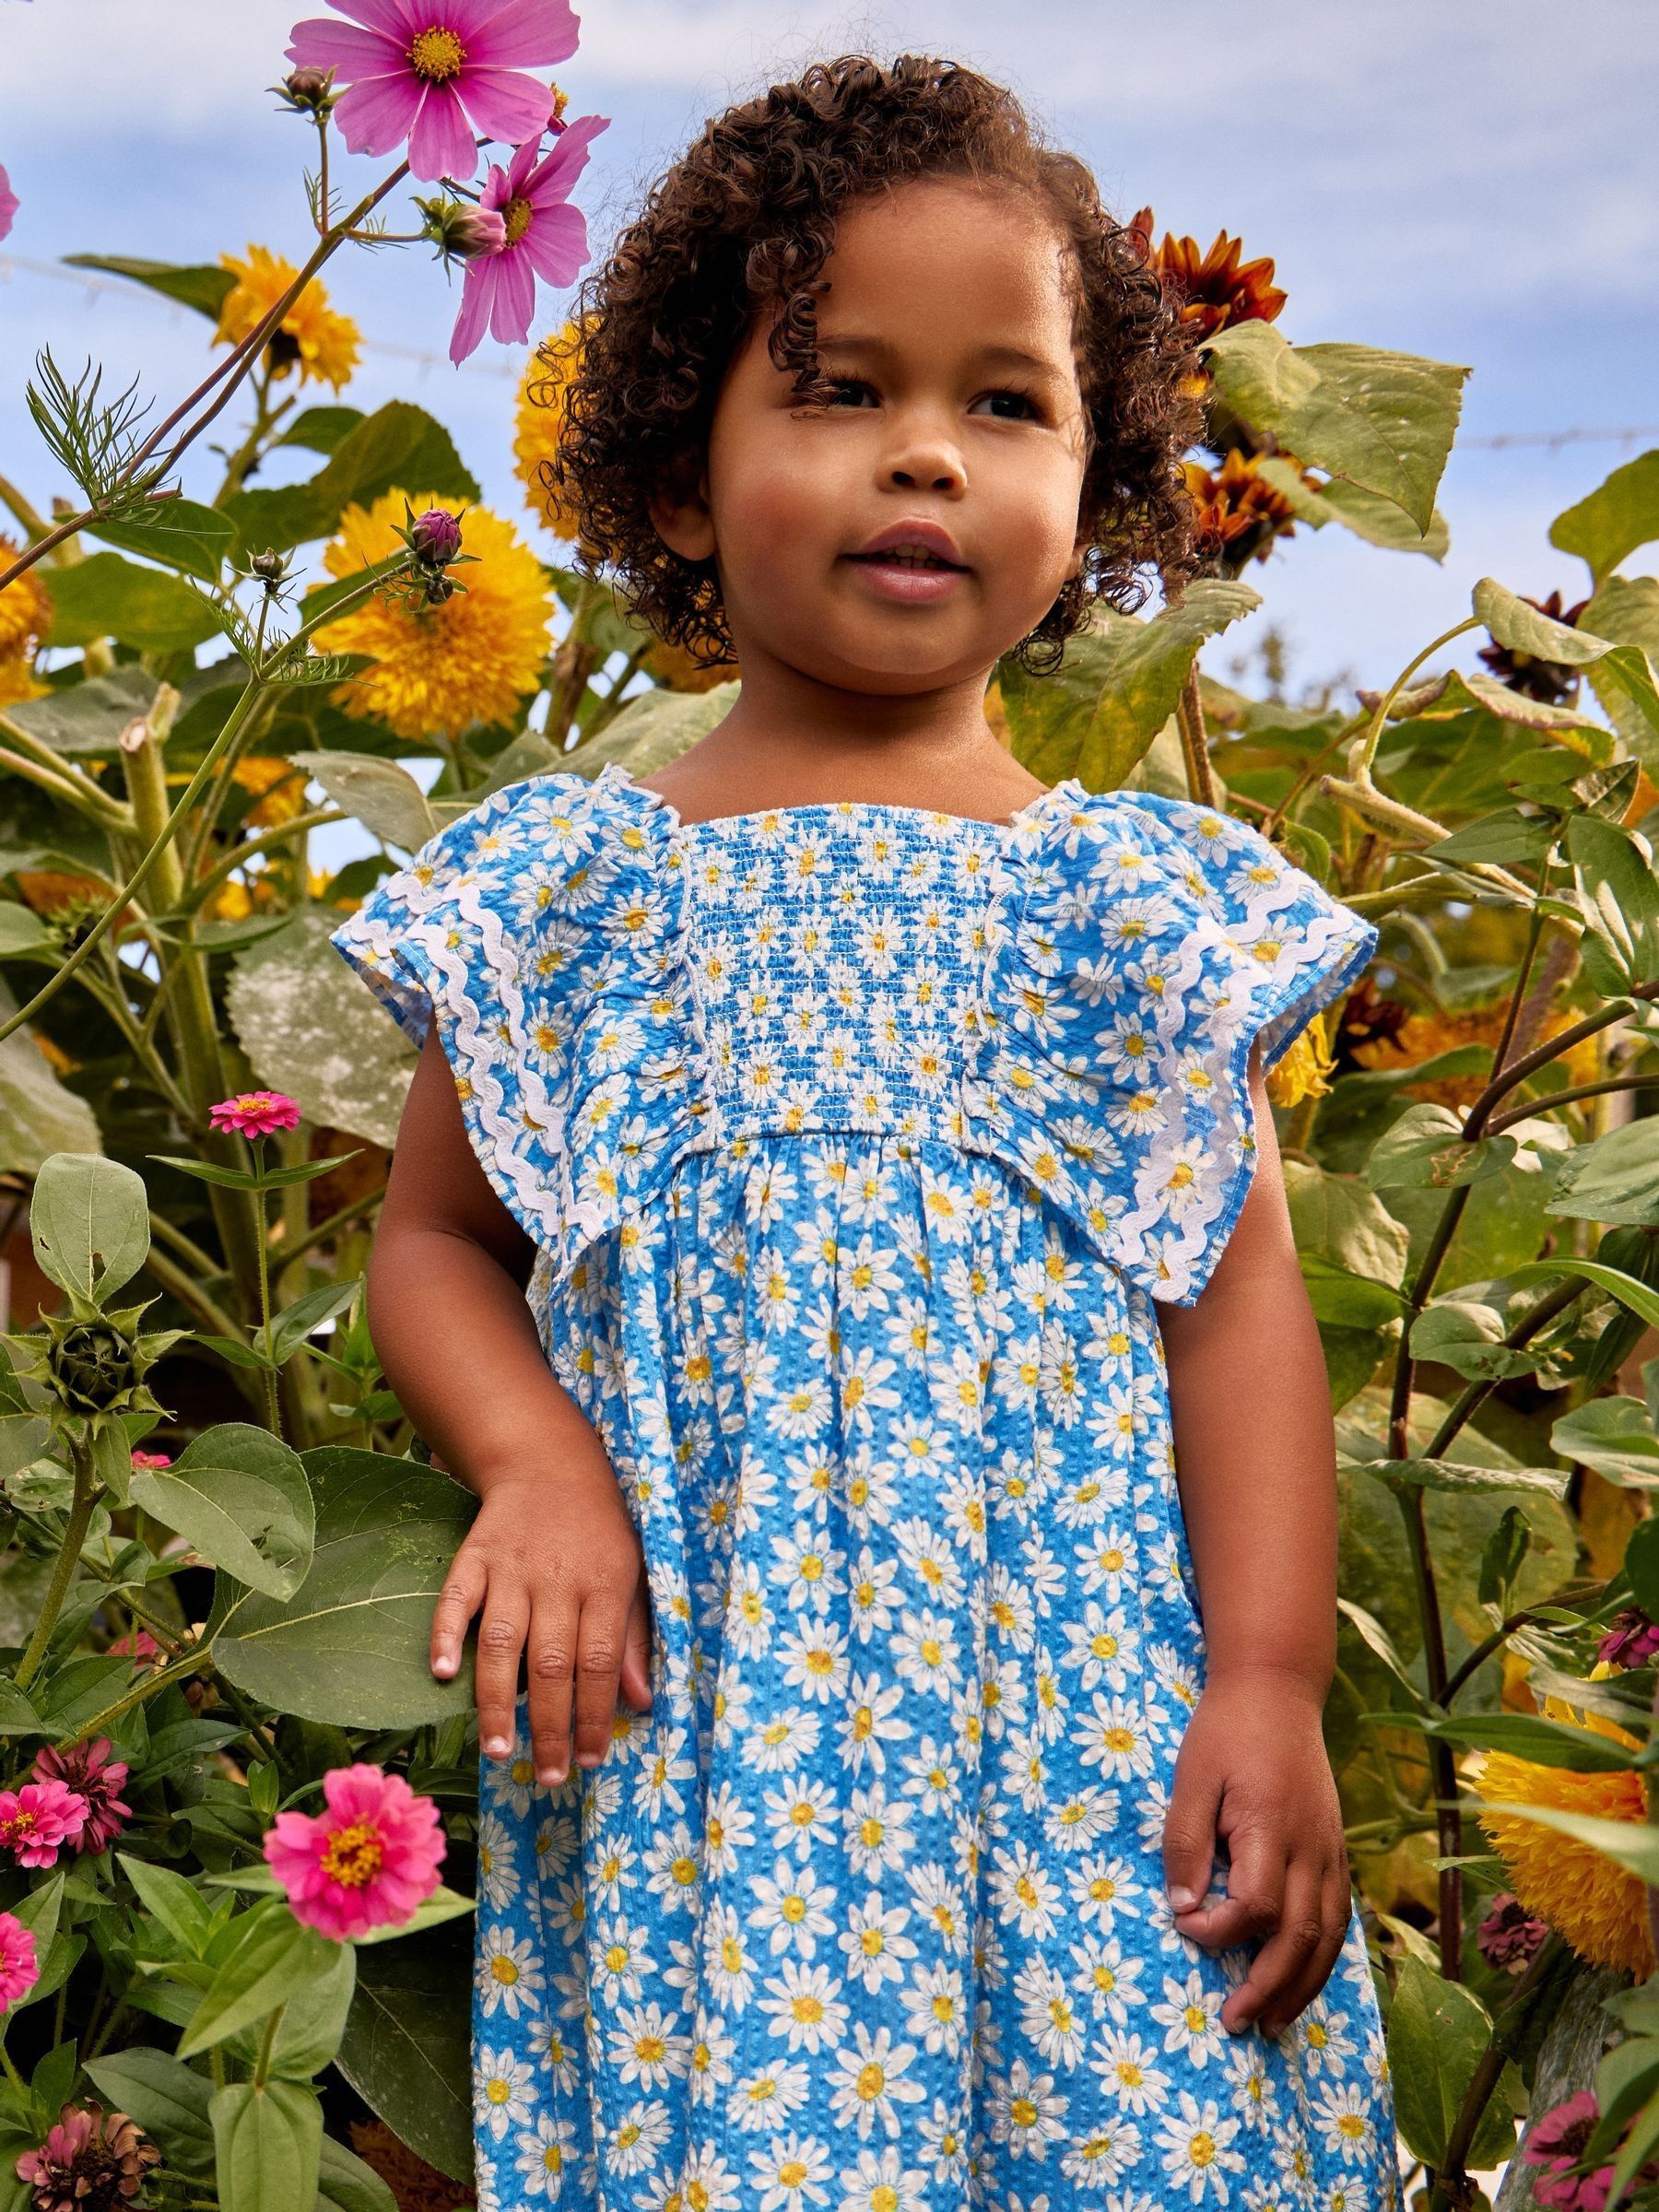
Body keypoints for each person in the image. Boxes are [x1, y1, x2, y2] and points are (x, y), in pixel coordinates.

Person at [334, 53, 1399, 2212]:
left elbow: (1238, 1314)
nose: (928, 450)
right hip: (708, 1734)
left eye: (1007, 404)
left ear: (1092, 493)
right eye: (839, 389)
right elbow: (435, 1242)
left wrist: (1272, 1685)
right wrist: (537, 1464)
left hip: (1077, 1726)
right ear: (676, 479)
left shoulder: (1127, 910)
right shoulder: (573, 892)